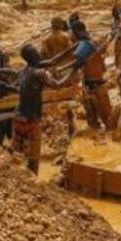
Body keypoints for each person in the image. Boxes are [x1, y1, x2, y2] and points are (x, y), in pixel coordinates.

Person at [12, 45, 74, 174]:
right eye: (36, 52)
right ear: (33, 57)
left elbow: (53, 61)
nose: (39, 52)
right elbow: (58, 85)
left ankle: (19, 179)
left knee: (18, 155)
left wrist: (71, 48)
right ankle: (33, 184)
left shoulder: (24, 70)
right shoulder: (39, 73)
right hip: (31, 119)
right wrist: (74, 70)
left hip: (18, 117)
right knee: (33, 157)